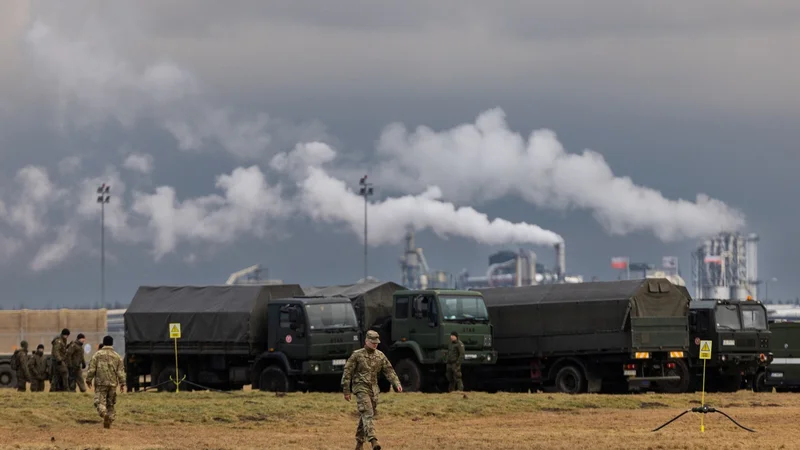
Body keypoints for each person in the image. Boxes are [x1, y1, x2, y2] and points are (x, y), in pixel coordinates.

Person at [341, 330, 402, 450]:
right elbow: (347, 373)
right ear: (366, 341)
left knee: (366, 414)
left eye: (376, 342)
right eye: (372, 342)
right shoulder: (357, 355)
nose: (375, 344)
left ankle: (359, 443)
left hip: (374, 390)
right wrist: (346, 390)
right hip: (360, 388)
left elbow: (389, 371)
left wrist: (396, 384)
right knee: (368, 413)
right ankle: (373, 440)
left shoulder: (380, 355)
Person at [86, 335, 125, 429]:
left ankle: (104, 414)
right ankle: (110, 419)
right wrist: (122, 383)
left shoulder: (97, 355)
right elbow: (120, 372)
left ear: (103, 343)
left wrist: (88, 379)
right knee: (110, 404)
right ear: (112, 343)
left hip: (100, 383)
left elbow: (91, 369)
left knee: (99, 402)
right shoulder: (117, 356)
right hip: (112, 384)